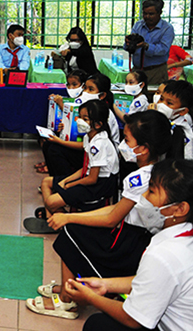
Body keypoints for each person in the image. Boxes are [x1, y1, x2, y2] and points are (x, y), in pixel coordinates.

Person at [25, 110, 171, 320]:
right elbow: (117, 209)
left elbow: (112, 217)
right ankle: (71, 288)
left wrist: (68, 217)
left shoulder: (140, 178)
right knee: (77, 228)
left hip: (130, 241)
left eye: (127, 140)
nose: (122, 144)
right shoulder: (159, 170)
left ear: (144, 149)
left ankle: (68, 301)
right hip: (137, 235)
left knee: (71, 234)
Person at [64, 158, 193, 331]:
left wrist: (90, 298)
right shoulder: (182, 235)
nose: (143, 197)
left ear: (180, 209)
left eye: (152, 192)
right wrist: (106, 285)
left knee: (97, 326)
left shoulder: (164, 255)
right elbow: (154, 280)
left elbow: (132, 319)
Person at [25, 100, 119, 234]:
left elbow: (92, 178)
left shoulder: (99, 144)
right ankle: (53, 219)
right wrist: (66, 180)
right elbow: (85, 167)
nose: (79, 121)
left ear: (98, 124)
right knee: (46, 182)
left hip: (99, 185)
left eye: (85, 119)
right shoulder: (89, 137)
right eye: (79, 117)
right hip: (87, 177)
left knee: (51, 202)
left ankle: (59, 219)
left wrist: (70, 185)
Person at [36, 69, 88, 175]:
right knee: (45, 140)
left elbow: (75, 119)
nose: (71, 88)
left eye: (74, 84)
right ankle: (51, 169)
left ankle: (62, 178)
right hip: (71, 137)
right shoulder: (72, 99)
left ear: (83, 86)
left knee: (53, 147)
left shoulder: (87, 103)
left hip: (81, 143)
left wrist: (61, 104)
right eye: (68, 84)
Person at [124, 0, 174, 85]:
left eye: (151, 14)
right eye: (145, 13)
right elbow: (129, 46)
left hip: (156, 71)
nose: (147, 17)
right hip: (137, 70)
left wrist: (146, 46)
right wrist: (129, 43)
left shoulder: (167, 28)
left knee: (154, 96)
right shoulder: (138, 25)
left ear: (159, 13)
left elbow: (163, 49)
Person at [149, 80, 193, 160]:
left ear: (182, 111)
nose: (161, 104)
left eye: (169, 103)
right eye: (161, 99)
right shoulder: (164, 119)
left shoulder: (182, 132)